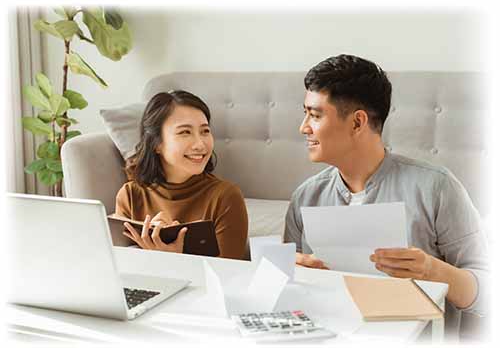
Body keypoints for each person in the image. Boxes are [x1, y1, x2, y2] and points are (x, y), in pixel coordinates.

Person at [284, 54, 488, 335]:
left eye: (315, 115)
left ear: (357, 123)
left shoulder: (436, 187)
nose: (303, 127)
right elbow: (289, 300)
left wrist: (432, 270)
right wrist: (288, 274)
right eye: (305, 113)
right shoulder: (305, 198)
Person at [115, 90, 248, 260]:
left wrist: (176, 259)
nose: (200, 144)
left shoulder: (226, 197)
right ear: (156, 143)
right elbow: (120, 267)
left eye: (205, 131)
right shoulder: (130, 196)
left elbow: (230, 277)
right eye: (185, 132)